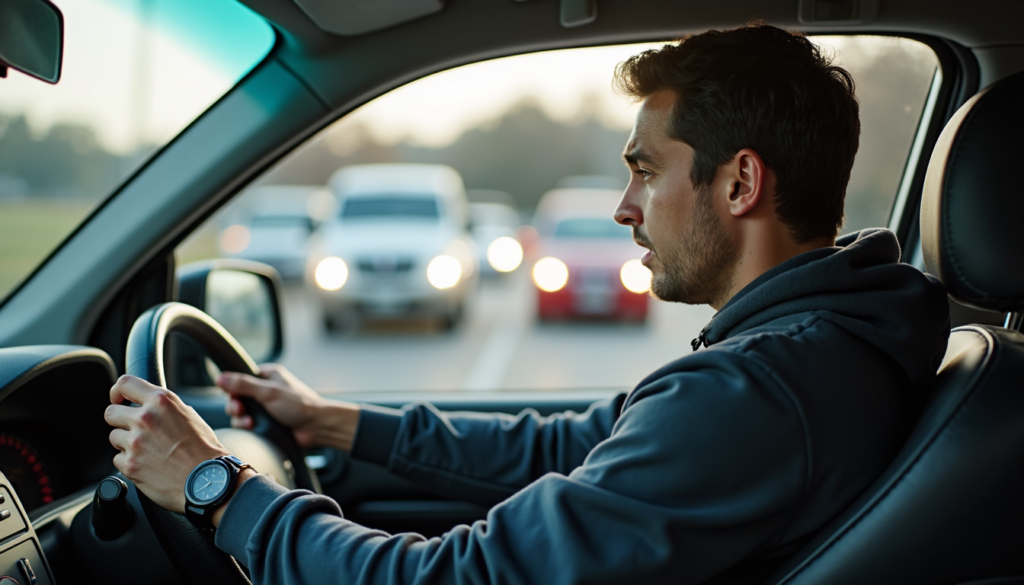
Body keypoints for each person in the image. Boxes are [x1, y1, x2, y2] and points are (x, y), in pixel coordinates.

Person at [104, 22, 951, 584]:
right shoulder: (823, 343)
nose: (623, 207)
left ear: (739, 183)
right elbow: (579, 441)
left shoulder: (754, 392)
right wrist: (332, 421)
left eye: (646, 171)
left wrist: (217, 486)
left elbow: (456, 579)